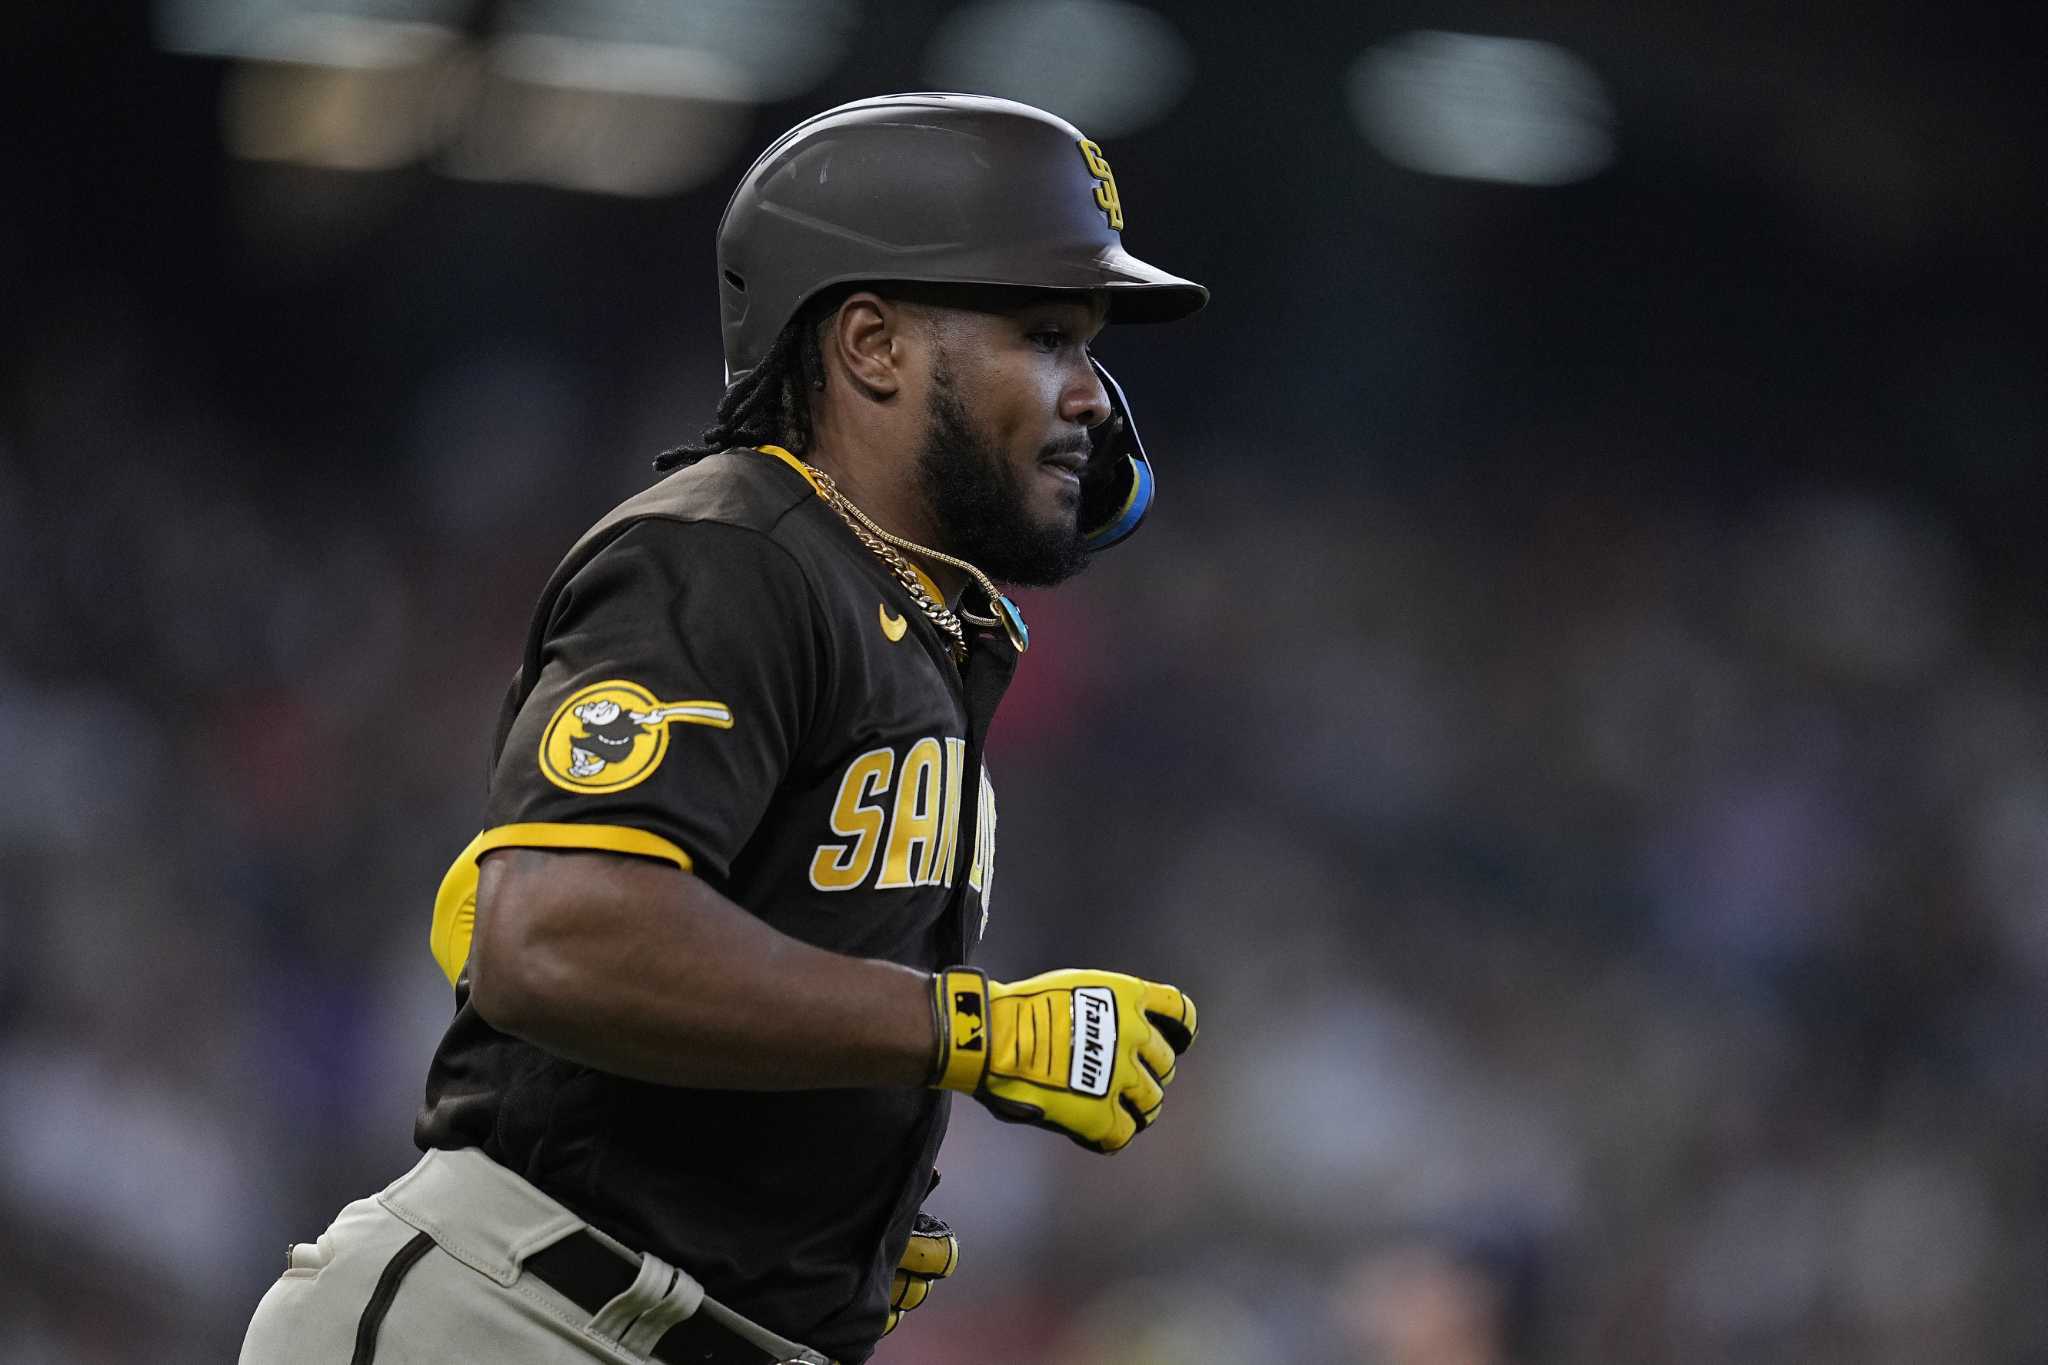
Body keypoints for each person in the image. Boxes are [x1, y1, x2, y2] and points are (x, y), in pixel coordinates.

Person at [239, 92, 1207, 1365]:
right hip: (513, 1323)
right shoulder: (729, 551)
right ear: (871, 343)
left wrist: (814, 1227)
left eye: (1088, 345)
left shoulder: (910, 622)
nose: (1091, 395)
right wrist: (967, 1030)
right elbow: (551, 940)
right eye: (1044, 332)